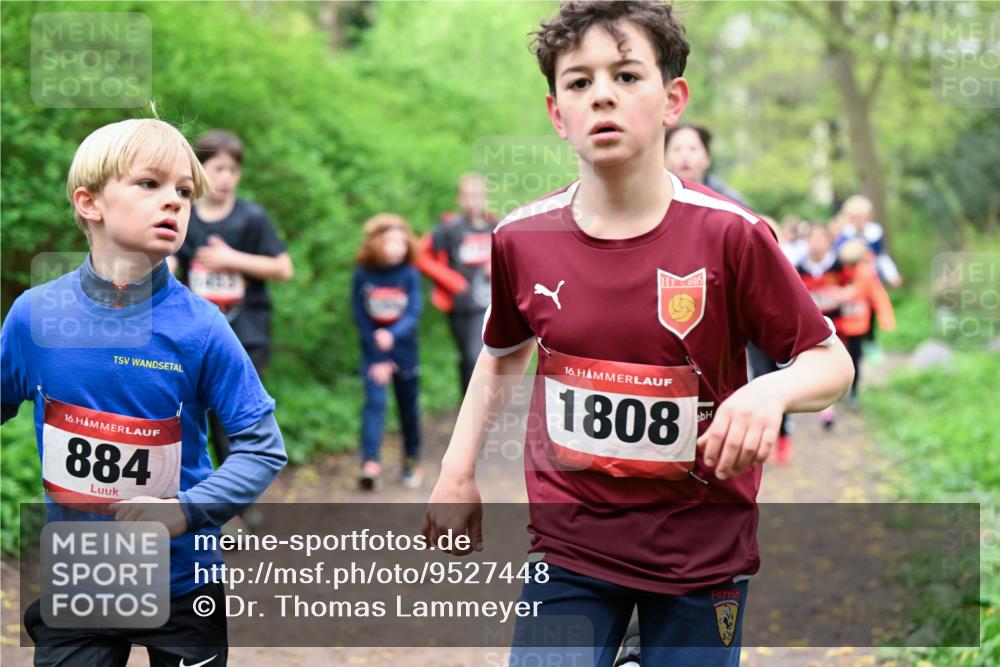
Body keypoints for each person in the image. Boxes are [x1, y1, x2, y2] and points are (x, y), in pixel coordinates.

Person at [422, 3, 854, 666]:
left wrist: (770, 393)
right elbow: (503, 353)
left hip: (701, 554)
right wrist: (456, 473)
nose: (602, 95)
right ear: (555, 112)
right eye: (579, 81)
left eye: (627, 76)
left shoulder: (731, 234)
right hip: (568, 547)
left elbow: (831, 363)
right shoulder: (520, 238)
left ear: (672, 99)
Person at [1, 118, 288, 667]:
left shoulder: (201, 328)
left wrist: (186, 510)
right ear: (90, 203)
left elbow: (261, 446)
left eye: (183, 190)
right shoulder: (34, 316)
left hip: (183, 578)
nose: (174, 202)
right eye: (149, 184)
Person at [172, 129, 293, 471]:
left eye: (233, 170)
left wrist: (232, 260)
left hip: (246, 333)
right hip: (193, 334)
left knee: (235, 422)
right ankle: (196, 495)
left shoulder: (251, 217)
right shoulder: (183, 214)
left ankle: (237, 504)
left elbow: (283, 268)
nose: (226, 178)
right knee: (191, 415)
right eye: (218, 168)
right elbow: (170, 261)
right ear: (199, 169)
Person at [352, 214, 424, 490]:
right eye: (390, 242)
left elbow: (414, 312)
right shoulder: (363, 274)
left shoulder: (410, 274)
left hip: (405, 353)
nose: (397, 247)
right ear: (376, 244)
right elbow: (359, 316)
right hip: (373, 354)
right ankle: (370, 463)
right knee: (375, 405)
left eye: (402, 242)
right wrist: (378, 354)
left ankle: (411, 460)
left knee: (409, 409)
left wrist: (391, 336)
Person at [420, 173, 496, 395]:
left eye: (478, 195)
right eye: (468, 195)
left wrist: (495, 264)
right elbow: (419, 255)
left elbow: (512, 255)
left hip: (493, 304)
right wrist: (449, 279)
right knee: (470, 356)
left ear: (486, 197)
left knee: (490, 357)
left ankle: (489, 410)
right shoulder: (448, 227)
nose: (473, 200)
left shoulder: (496, 225)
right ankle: (468, 410)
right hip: (462, 305)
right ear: (459, 199)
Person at [795, 223, 854, 430]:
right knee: (818, 365)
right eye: (812, 240)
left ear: (829, 242)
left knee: (838, 363)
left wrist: (841, 294)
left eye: (821, 240)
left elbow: (853, 286)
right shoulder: (799, 267)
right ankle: (826, 409)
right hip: (813, 328)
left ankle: (835, 400)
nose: (816, 244)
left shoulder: (839, 265)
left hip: (838, 325)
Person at [834, 238, 896, 406]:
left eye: (853, 263)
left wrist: (886, 319)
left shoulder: (866, 273)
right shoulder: (839, 271)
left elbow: (878, 296)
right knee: (840, 359)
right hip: (841, 325)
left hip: (858, 326)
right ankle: (839, 391)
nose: (849, 267)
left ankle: (853, 393)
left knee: (855, 359)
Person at [664, 123, 746, 204]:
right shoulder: (657, 199)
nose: (685, 156)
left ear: (707, 158)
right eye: (677, 149)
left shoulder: (728, 201)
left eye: (692, 149)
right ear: (665, 159)